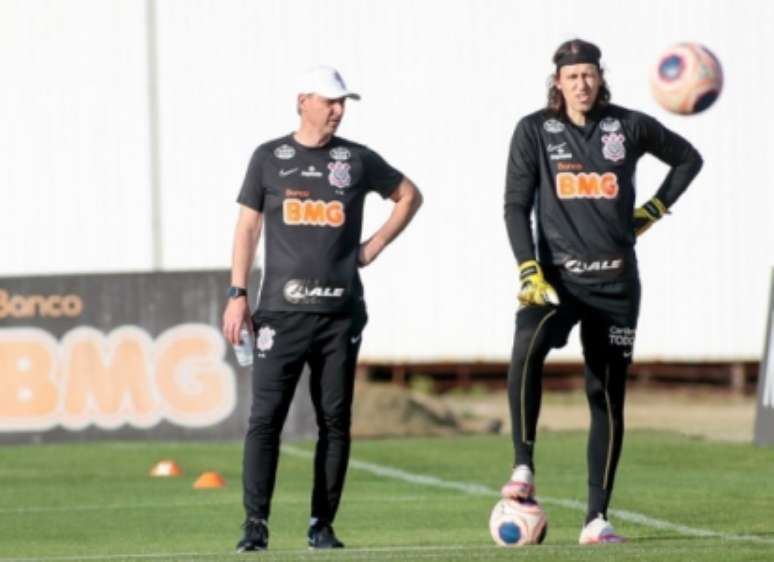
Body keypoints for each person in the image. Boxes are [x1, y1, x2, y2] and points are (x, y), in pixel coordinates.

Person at [500, 39, 702, 544]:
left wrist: (653, 211)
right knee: (527, 347)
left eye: (589, 74)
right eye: (572, 77)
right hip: (556, 282)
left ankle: (596, 519)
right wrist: (528, 268)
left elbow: (688, 159)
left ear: (600, 77)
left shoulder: (627, 126)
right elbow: (514, 206)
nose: (582, 84)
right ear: (558, 82)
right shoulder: (534, 131)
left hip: (615, 283)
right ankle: (523, 466)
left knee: (606, 397)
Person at [222, 65, 422, 552]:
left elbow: (409, 195)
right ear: (302, 101)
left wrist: (373, 247)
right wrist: (237, 294)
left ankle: (322, 525)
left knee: (335, 420)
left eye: (343, 102)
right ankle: (256, 525)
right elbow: (248, 229)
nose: (337, 110)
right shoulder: (270, 158)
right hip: (281, 315)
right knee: (265, 418)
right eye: (329, 101)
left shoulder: (355, 160)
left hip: (339, 317)